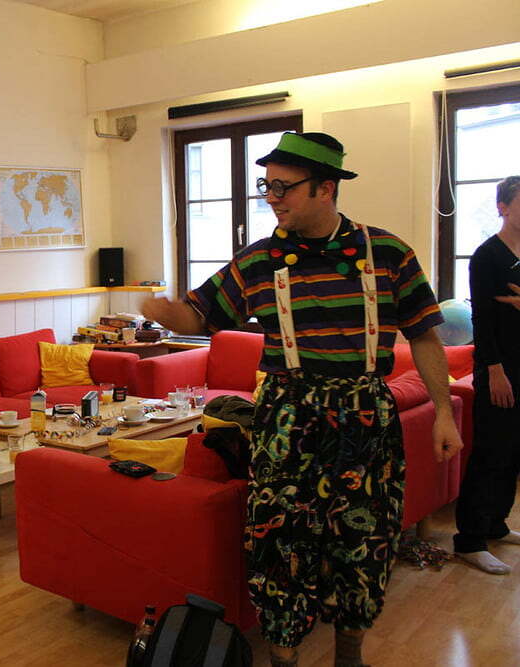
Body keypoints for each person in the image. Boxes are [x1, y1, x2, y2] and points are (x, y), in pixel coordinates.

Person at [141, 132, 463, 667]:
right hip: (286, 416)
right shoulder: (259, 260)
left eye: (283, 187)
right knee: (279, 545)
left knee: (364, 544)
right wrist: (163, 310)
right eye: (266, 186)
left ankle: (349, 656)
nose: (271, 198)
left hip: (365, 416)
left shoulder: (387, 253)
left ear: (325, 188)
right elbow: (198, 315)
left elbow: (425, 337)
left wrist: (444, 414)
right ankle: (283, 660)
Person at [453, 175, 520, 575]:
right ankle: (470, 539)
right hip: (499, 368)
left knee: (514, 452)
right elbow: (482, 319)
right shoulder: (487, 256)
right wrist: (494, 371)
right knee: (492, 451)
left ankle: (496, 523)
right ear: (503, 207)